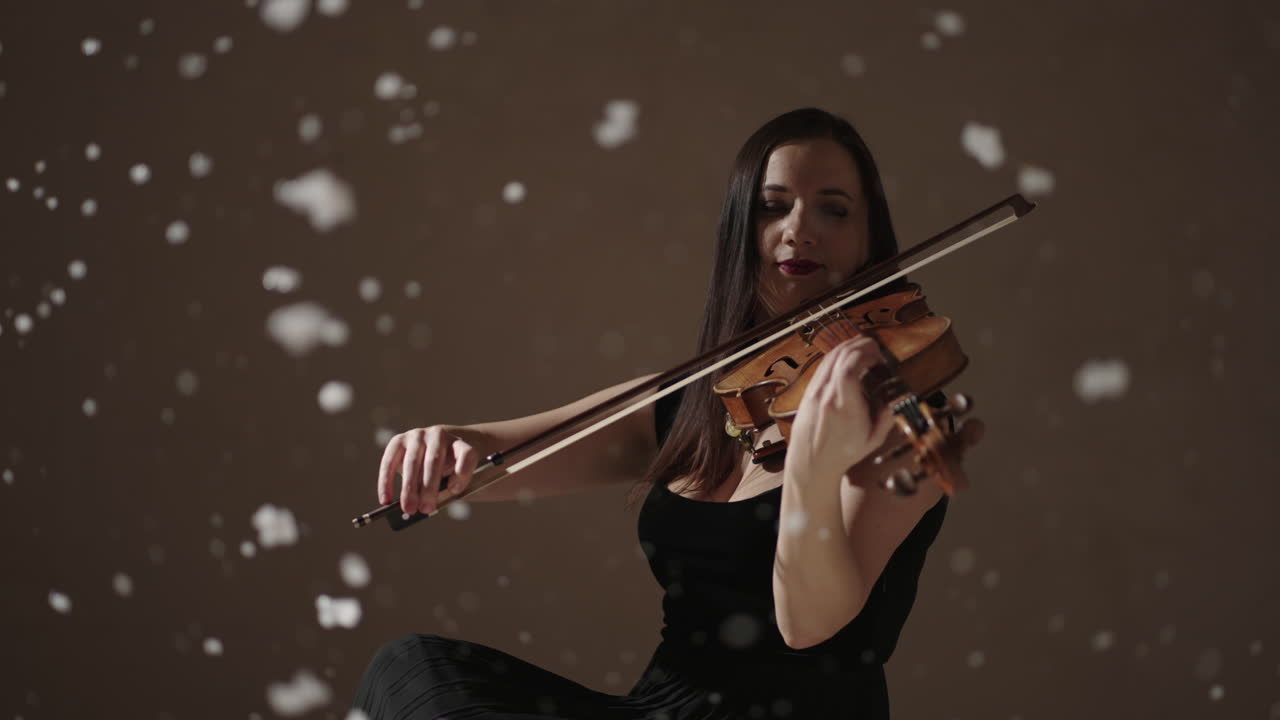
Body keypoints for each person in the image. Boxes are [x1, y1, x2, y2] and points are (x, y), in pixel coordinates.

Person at [351, 107, 950, 719]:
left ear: (870, 238)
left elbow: (806, 625)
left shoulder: (902, 421)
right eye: (773, 207)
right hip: (662, 709)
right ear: (739, 230)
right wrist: (446, 446)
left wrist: (815, 467)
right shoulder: (700, 400)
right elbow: (496, 454)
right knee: (412, 669)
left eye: (833, 209)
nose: (799, 230)